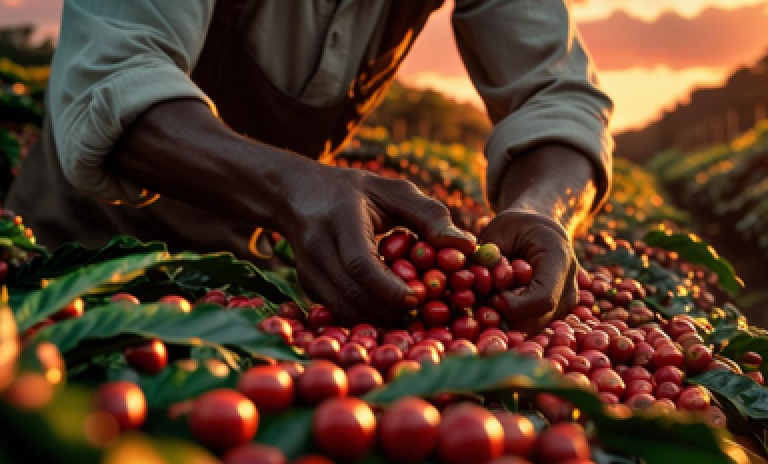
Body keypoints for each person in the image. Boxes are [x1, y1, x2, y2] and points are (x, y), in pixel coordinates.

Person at [7, 0, 614, 329]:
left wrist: (542, 208)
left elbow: (557, 96)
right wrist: (295, 188)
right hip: (73, 266)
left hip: (244, 285)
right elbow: (112, 79)